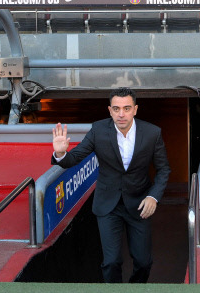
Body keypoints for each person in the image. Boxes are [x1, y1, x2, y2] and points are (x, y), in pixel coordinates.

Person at [51, 87, 170, 283]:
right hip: (108, 205)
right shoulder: (98, 130)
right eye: (116, 109)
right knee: (111, 262)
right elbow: (74, 158)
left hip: (140, 204)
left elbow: (164, 169)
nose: (121, 114)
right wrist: (61, 153)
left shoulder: (152, 133)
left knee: (143, 262)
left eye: (126, 108)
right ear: (109, 110)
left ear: (135, 109)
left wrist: (153, 196)